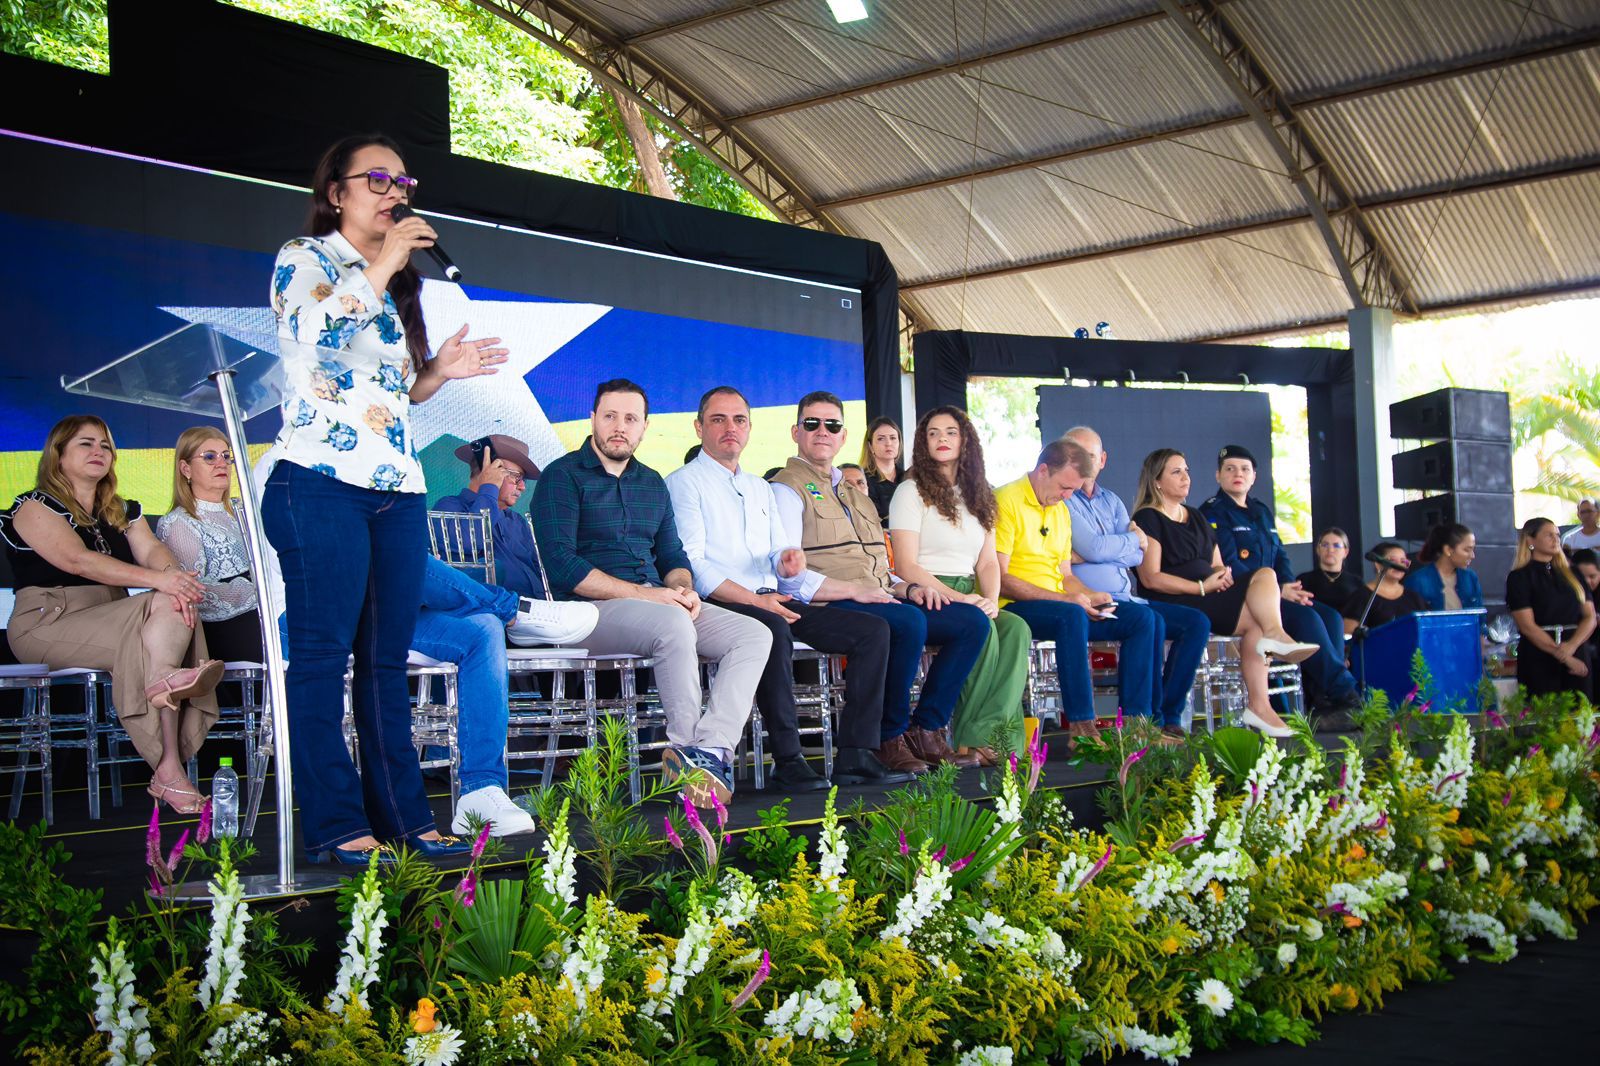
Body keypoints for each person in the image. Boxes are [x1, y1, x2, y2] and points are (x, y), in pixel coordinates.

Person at [261, 132, 505, 863]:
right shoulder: (302, 261)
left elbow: (388, 395)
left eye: (402, 181)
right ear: (336, 192)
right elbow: (312, 331)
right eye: (376, 179)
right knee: (321, 659)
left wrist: (436, 374)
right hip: (317, 485)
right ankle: (337, 826)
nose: (394, 191)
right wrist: (390, 256)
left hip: (394, 490)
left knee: (384, 663)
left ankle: (405, 818)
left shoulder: (393, 288)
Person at [531, 379, 772, 806]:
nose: (619, 427)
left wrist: (681, 588)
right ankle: (683, 751)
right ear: (592, 420)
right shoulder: (562, 477)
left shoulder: (652, 483)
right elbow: (564, 568)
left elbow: (673, 556)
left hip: (656, 607)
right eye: (610, 416)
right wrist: (654, 597)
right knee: (672, 620)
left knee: (754, 634)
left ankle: (712, 750)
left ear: (645, 427)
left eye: (630, 418)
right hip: (587, 612)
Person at [666, 386, 906, 788]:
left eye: (739, 420)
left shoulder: (761, 486)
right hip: (722, 602)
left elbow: (782, 558)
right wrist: (758, 599)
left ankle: (856, 754)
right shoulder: (684, 483)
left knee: (873, 631)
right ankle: (788, 756)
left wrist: (788, 563)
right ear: (698, 427)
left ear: (750, 428)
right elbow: (692, 564)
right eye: (718, 420)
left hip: (774, 597)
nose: (730, 428)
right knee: (771, 626)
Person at [1, 416, 219, 813]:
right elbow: (78, 561)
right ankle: (168, 761)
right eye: (86, 444)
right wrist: (164, 582)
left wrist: (171, 576)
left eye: (105, 445)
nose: (99, 452)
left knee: (167, 614)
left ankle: (168, 754)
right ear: (58, 455)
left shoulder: (121, 509)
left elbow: (152, 551)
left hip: (115, 616)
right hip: (49, 622)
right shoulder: (34, 506)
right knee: (158, 615)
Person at [771, 391, 989, 773]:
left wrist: (909, 588)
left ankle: (927, 728)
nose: (822, 431)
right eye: (812, 423)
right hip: (827, 602)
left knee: (970, 623)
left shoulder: (856, 495)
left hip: (878, 594)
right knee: (907, 622)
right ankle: (889, 736)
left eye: (832, 425)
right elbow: (790, 578)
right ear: (795, 432)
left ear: (842, 436)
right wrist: (858, 591)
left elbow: (880, 569)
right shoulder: (785, 489)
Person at [1130, 449, 1318, 739]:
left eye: (1187, 470)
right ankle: (1276, 637)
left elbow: (1217, 562)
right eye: (1176, 471)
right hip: (1173, 598)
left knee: (1259, 606)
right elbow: (1150, 577)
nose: (1186, 477)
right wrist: (1201, 587)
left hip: (1208, 594)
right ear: (1156, 481)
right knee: (1263, 582)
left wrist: (1222, 576)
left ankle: (1260, 706)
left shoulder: (1195, 516)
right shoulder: (1148, 517)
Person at [995, 438, 1165, 747]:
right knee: (1071, 615)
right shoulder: (1006, 500)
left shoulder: (1059, 509)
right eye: (1064, 487)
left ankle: (1137, 727)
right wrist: (1068, 600)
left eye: (1072, 490)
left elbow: (1066, 576)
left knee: (1141, 618)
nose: (1067, 496)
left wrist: (1089, 594)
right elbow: (1001, 578)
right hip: (1014, 605)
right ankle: (1082, 726)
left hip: (1061, 604)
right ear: (1043, 470)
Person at [889, 407, 1029, 764]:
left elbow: (987, 562)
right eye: (933, 433)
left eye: (950, 432)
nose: (942, 440)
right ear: (923, 443)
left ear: (965, 440)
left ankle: (997, 739)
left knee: (1015, 629)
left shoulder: (982, 495)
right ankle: (970, 739)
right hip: (927, 590)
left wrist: (992, 599)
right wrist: (962, 599)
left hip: (971, 591)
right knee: (981, 628)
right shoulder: (910, 491)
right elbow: (905, 565)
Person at [1061, 426, 1210, 738]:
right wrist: (1123, 543)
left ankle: (1167, 716)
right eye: (1075, 453)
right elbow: (1097, 548)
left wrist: (1103, 550)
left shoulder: (1112, 501)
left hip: (1126, 598)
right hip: (1091, 601)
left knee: (1195, 622)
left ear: (1102, 460)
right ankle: (1140, 724)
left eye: (1090, 455)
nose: (1083, 461)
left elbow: (1135, 557)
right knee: (1147, 620)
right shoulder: (1065, 500)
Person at [1200, 445, 1362, 720]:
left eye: (1244, 469)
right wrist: (1277, 590)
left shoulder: (1261, 511)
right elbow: (1228, 562)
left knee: (1331, 618)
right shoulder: (1212, 512)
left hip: (1274, 594)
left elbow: (1279, 553)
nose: (1237, 474)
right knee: (1307, 620)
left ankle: (1322, 701)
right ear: (1218, 476)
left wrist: (1288, 584)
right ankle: (1345, 693)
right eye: (1229, 469)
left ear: (1254, 477)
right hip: (1244, 600)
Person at [431, 432, 593, 643]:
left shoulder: (517, 521)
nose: (522, 487)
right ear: (489, 471)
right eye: (516, 477)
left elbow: (537, 572)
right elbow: (472, 541)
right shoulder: (450, 506)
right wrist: (488, 488)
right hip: (487, 625)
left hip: (538, 626)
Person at [156, 428, 263, 664]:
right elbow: (194, 592)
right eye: (209, 457)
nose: (221, 463)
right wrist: (261, 591)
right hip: (225, 632)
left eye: (226, 456)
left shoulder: (242, 515)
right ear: (186, 469)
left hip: (262, 617)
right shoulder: (179, 522)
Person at [1506, 517, 1596, 701]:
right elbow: (1527, 626)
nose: (1556, 539)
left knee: (1579, 712)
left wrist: (1571, 647)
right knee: (1544, 713)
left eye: (1557, 534)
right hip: (1539, 653)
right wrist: (1562, 654)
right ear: (1530, 540)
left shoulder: (1573, 574)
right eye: (1549, 535)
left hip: (1576, 647)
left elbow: (1590, 616)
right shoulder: (1520, 577)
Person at [1342, 542, 1428, 634]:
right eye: (1393, 561)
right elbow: (1348, 634)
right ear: (1378, 564)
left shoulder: (1414, 597)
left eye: (1403, 561)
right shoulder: (1362, 596)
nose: (1399, 565)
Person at [1403, 523, 1484, 612]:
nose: (1472, 556)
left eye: (1473, 550)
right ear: (1448, 550)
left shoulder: (1470, 577)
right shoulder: (1417, 581)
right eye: (1467, 550)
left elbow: (1480, 617)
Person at [1297, 527, 1365, 615]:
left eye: (1336, 545)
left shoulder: (1356, 582)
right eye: (1325, 545)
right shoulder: (1304, 580)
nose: (1330, 550)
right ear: (1318, 550)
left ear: (1346, 552)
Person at [860, 416, 904, 521]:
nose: (888, 443)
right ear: (870, 446)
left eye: (893, 438)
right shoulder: (862, 480)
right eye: (881, 439)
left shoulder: (909, 478)